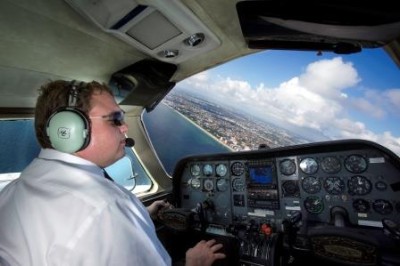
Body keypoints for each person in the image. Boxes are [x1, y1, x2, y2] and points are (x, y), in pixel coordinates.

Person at [0, 80, 225, 266]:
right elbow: (97, 219)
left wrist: (143, 213)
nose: (125, 127)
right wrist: (194, 263)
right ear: (69, 130)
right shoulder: (108, 207)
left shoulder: (13, 190)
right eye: (115, 119)